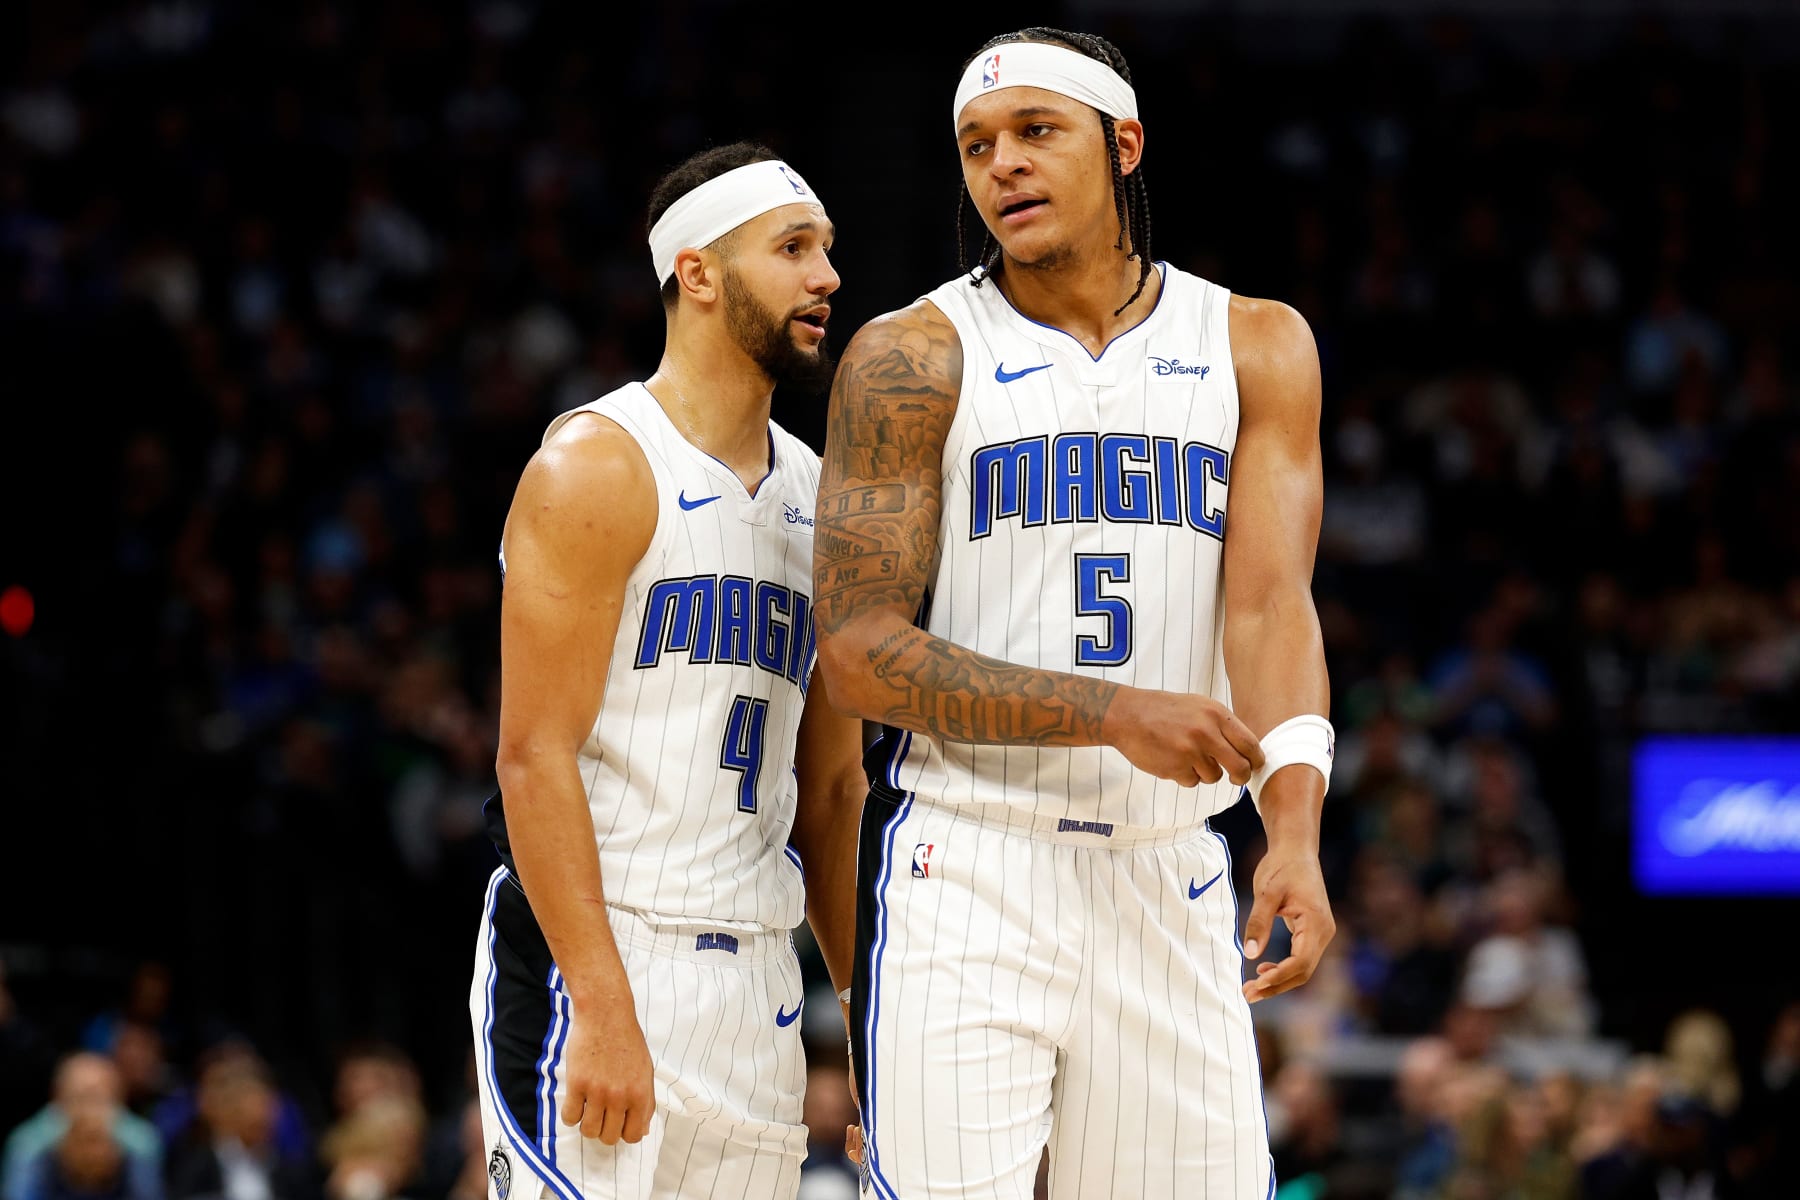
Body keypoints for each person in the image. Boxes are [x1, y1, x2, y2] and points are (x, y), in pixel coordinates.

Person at [812, 27, 1337, 1198]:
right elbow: (855, 656)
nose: (1002, 165)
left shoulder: (1257, 344)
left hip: (1169, 871)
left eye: (1036, 132)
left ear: (1125, 144)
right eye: (976, 145)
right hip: (968, 867)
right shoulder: (911, 355)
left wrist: (1293, 831)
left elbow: (1269, 610)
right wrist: (1108, 711)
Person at [469, 141, 866, 1200]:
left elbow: (832, 792)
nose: (827, 276)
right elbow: (531, 755)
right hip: (604, 949)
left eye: (827, 250)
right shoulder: (597, 464)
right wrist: (600, 1004)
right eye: (793, 249)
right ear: (695, 272)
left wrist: (867, 1025)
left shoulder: (822, 500)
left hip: (761, 984)